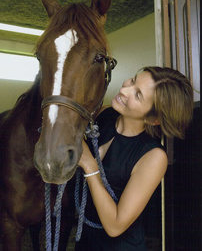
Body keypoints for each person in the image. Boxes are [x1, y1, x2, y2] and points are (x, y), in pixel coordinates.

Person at [75, 66, 193, 251]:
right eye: (132, 80)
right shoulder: (104, 116)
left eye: (137, 95)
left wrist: (90, 166)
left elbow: (115, 226)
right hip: (85, 240)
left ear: (153, 119)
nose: (124, 89)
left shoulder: (153, 156)